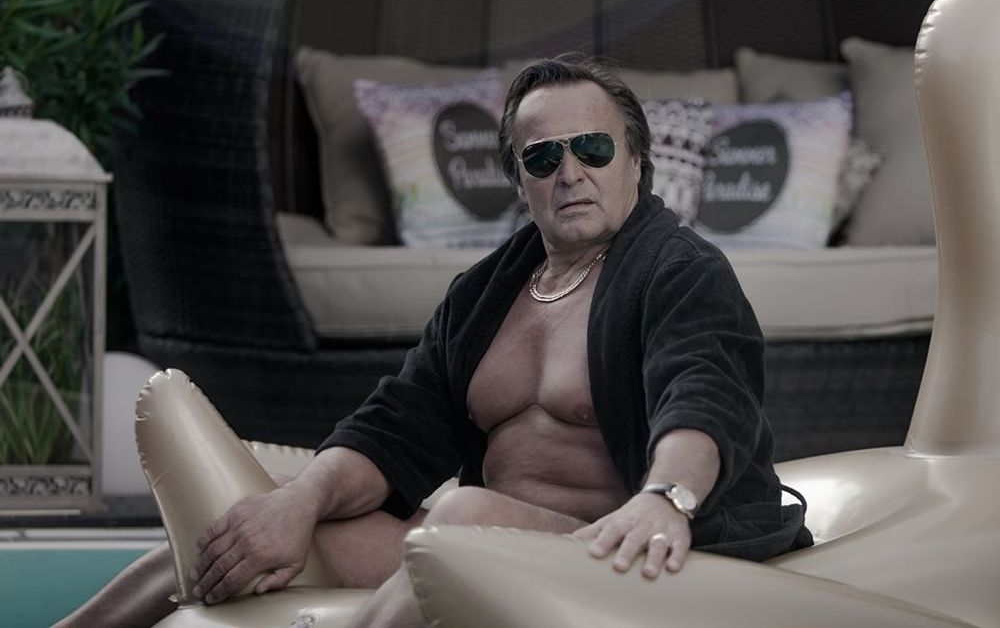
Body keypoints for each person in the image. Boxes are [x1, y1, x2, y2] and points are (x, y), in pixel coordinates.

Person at [57, 55, 811, 628]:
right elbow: (395, 428)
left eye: (593, 149)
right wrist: (295, 503)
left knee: (458, 518)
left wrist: (666, 498)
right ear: (519, 180)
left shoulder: (679, 271)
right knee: (231, 527)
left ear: (636, 162)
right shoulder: (485, 295)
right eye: (543, 157)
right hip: (476, 545)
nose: (570, 173)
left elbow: (703, 396)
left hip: (628, 551)